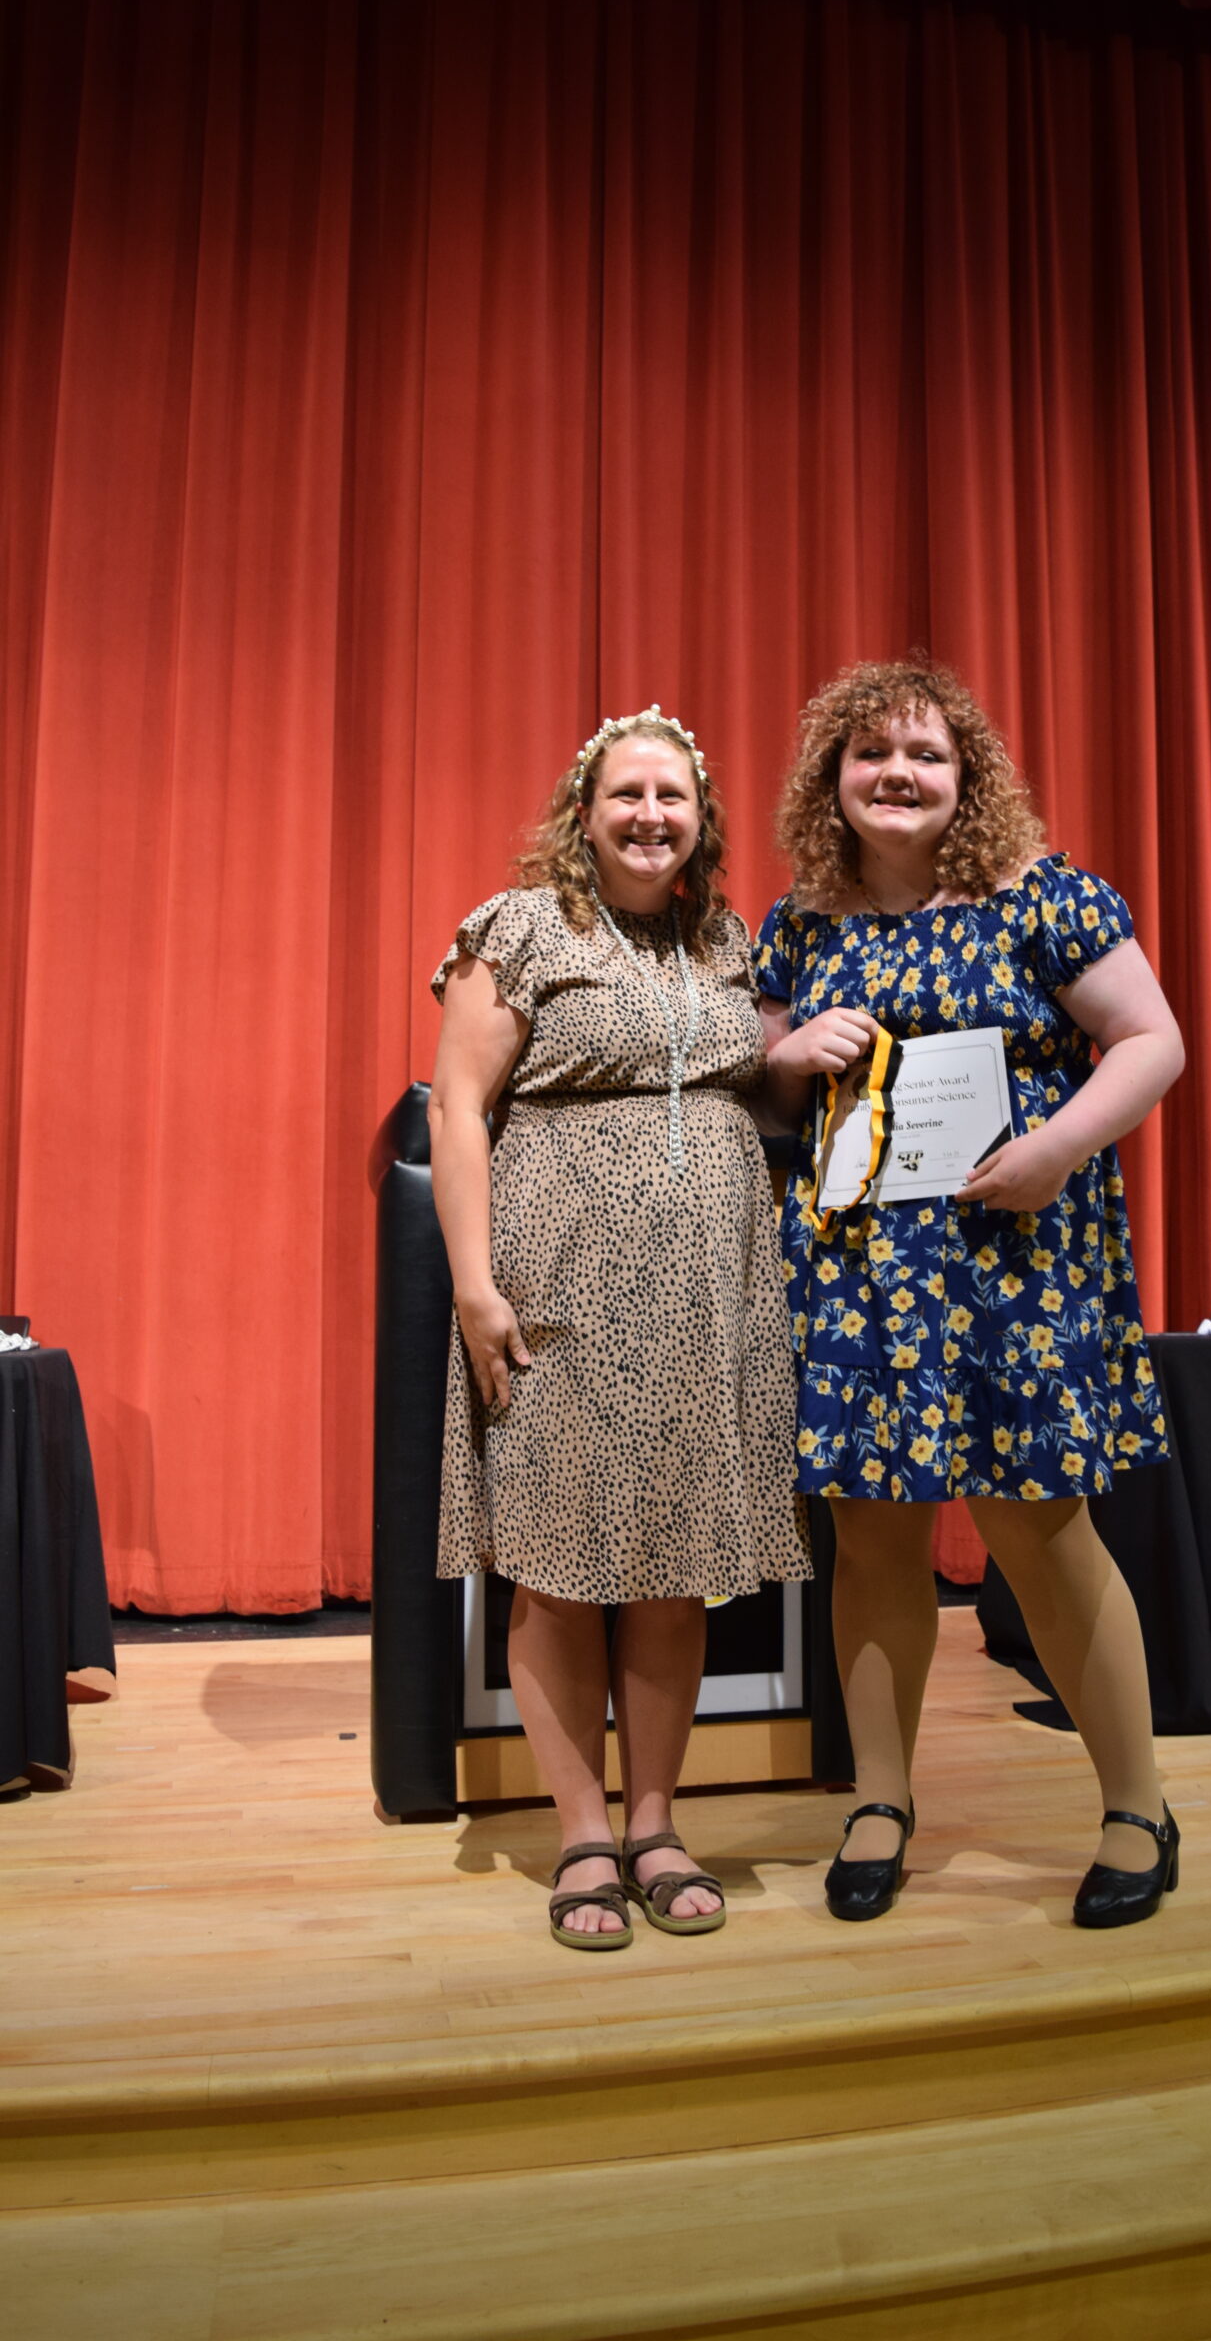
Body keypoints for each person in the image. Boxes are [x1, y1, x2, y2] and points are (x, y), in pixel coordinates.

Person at [757, 658, 1186, 1930]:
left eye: (925, 755)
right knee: (872, 1537)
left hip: (1016, 1259)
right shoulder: (802, 924)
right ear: (832, 777)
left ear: (967, 777)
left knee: (1040, 1532)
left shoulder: (1044, 896)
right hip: (860, 1271)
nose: (897, 774)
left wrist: (1058, 1148)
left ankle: (1138, 1807)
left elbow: (1152, 1040)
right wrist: (788, 1053)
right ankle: (880, 1802)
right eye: (872, 753)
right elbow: (764, 1082)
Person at [428, 708, 809, 1951]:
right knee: (555, 1570)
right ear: (584, 813)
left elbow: (754, 1090)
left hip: (710, 1296)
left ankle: (655, 1824)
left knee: (674, 1569)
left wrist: (799, 1053)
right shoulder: (520, 927)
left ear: (702, 819)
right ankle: (583, 1832)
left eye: (673, 796)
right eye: (628, 794)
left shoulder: (724, 941)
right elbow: (458, 1109)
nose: (651, 815)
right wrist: (475, 1285)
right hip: (562, 1288)